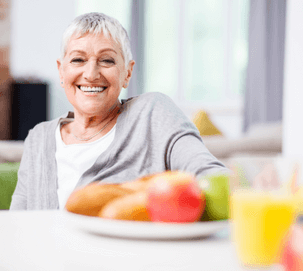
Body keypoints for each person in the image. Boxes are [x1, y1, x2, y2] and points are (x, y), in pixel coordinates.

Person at [10, 12, 230, 210]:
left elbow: (209, 173)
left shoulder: (153, 113)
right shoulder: (38, 138)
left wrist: (250, 190)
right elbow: (18, 225)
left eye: (107, 60)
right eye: (78, 59)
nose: (91, 73)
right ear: (61, 70)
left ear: (127, 72)